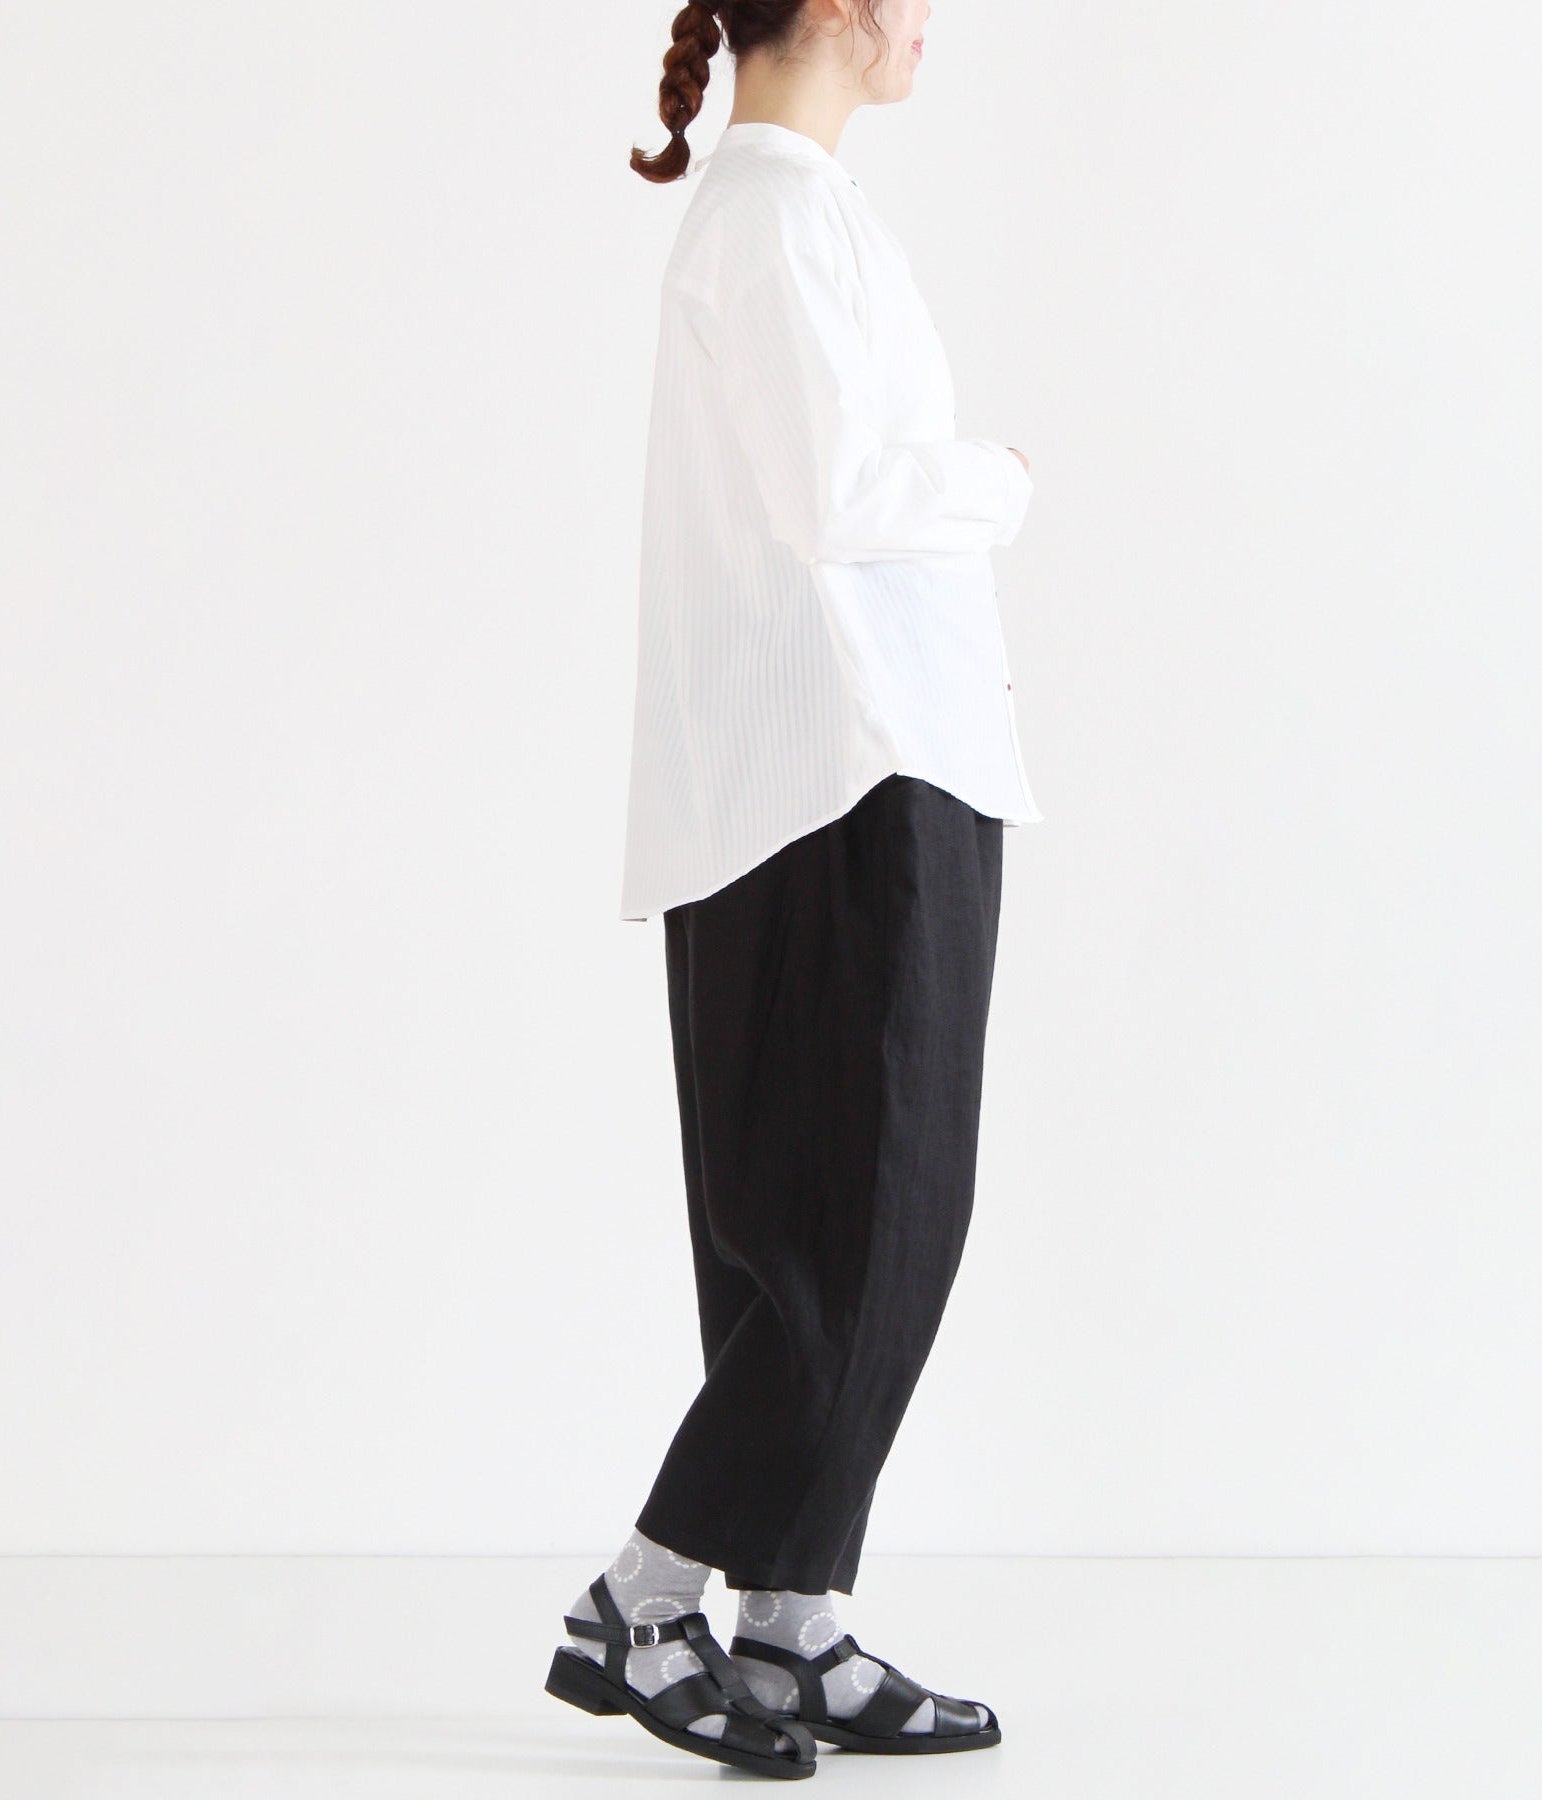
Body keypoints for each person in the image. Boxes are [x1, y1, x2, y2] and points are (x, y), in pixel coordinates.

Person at [544, 0, 1041, 1778]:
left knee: (809, 1235)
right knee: (867, 1228)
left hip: (828, 776)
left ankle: (790, 1620)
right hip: (849, 775)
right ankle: (644, 1595)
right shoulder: (769, 215)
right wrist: (1003, 483)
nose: (933, 23)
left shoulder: (790, 211)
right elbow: (839, 495)